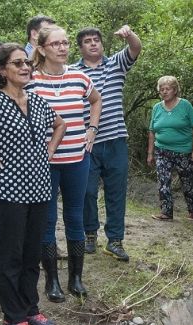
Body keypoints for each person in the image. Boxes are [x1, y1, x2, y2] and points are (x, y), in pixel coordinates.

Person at [0, 44, 67, 325]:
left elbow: (60, 124)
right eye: (17, 63)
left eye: (27, 62)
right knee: (10, 256)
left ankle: (30, 308)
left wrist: (48, 151)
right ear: (1, 70)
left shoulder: (37, 102)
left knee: (30, 254)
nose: (25, 67)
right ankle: (12, 317)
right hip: (7, 192)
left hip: (39, 189)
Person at [29, 26, 102, 302]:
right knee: (47, 220)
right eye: (56, 44)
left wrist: (91, 130)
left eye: (66, 43)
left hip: (77, 159)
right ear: (43, 48)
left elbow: (96, 101)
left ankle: (76, 279)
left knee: (75, 217)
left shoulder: (80, 77)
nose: (62, 48)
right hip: (44, 162)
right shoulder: (32, 80)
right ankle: (52, 281)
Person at [71, 25, 141, 262]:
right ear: (80, 48)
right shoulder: (72, 72)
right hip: (86, 142)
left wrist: (129, 34)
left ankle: (115, 240)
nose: (93, 44)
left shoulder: (116, 64)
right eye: (87, 41)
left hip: (115, 139)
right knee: (87, 192)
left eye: (96, 40)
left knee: (116, 192)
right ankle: (90, 234)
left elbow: (135, 48)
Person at [147, 76, 193, 221]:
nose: (164, 92)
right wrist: (150, 153)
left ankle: (192, 210)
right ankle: (166, 212)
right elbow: (152, 131)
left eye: (168, 89)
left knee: (187, 183)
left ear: (175, 90)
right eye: (161, 89)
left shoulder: (185, 105)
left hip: (183, 152)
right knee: (163, 181)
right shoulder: (157, 108)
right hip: (162, 150)